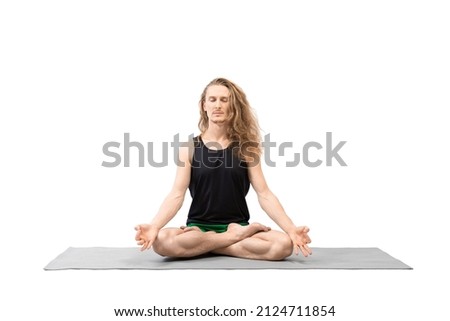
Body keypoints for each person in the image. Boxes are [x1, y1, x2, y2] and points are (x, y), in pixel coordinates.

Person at [134, 78, 312, 261]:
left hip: (237, 225)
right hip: (198, 228)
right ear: (204, 105)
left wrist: (291, 229)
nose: (217, 105)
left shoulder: (246, 148)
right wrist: (154, 226)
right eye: (212, 100)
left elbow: (264, 193)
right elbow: (176, 194)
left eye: (224, 100)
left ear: (232, 106)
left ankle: (205, 247)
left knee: (282, 245)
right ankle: (229, 240)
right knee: (161, 241)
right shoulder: (189, 147)